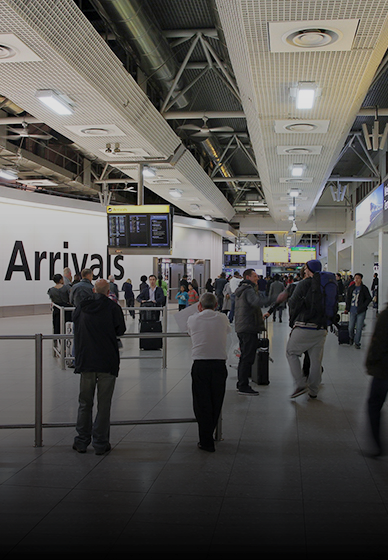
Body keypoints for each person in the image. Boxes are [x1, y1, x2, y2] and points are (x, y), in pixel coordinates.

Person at [72, 278, 126, 455]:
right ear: (108, 290)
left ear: (94, 290)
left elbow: (75, 324)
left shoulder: (82, 307)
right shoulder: (113, 308)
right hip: (107, 362)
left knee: (84, 402)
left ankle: (81, 441)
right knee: (104, 404)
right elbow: (120, 330)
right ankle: (100, 443)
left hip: (86, 360)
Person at [187, 292, 231, 452]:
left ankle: (205, 440)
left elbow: (190, 332)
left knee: (201, 403)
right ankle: (209, 435)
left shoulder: (192, 319)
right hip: (219, 365)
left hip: (200, 365)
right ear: (216, 306)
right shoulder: (222, 318)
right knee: (216, 401)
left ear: (199, 306)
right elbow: (227, 331)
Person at [286, 259, 332, 399]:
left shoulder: (305, 283)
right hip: (322, 328)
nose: (304, 270)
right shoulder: (326, 284)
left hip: (305, 326)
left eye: (306, 268)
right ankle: (313, 390)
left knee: (291, 352)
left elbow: (292, 302)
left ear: (309, 269)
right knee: (316, 360)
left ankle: (300, 383)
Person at [234, 268, 266, 395]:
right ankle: (243, 385)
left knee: (245, 356)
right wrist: (276, 298)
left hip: (243, 326)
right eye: (254, 276)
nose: (257, 278)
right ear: (247, 277)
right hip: (248, 327)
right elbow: (257, 302)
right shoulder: (248, 290)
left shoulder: (243, 290)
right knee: (247, 357)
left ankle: (241, 382)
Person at [365, 302, 388, 456]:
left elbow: (379, 342)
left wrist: (371, 362)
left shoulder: (386, 316)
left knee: (374, 404)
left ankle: (378, 447)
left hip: (383, 369)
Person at [345, 272, 372, 349]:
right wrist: (347, 308)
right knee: (351, 327)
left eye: (358, 278)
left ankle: (357, 342)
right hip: (352, 310)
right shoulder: (351, 288)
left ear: (361, 279)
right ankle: (351, 337)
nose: (356, 279)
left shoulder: (364, 288)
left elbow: (368, 298)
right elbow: (348, 299)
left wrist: (363, 306)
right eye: (355, 278)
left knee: (359, 327)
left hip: (361, 311)